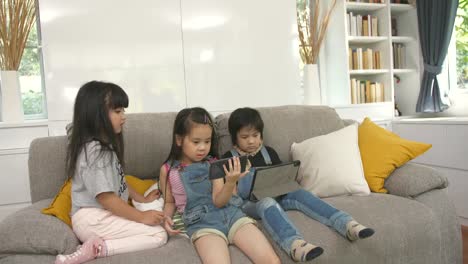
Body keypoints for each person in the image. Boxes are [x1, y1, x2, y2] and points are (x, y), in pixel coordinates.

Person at [222, 107, 375, 262]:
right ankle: (295, 245)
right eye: (245, 137)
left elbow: (283, 177)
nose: (251, 141)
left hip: (277, 194)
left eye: (255, 135)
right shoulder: (229, 159)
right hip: (250, 204)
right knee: (267, 202)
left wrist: (288, 179)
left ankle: (347, 224)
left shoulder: (269, 152)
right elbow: (228, 195)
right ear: (235, 138)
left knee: (300, 192)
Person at [55, 81, 167, 264]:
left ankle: (100, 242)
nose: (123, 117)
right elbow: (106, 198)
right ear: (95, 115)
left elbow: (119, 181)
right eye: (117, 111)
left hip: (99, 216)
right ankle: (98, 248)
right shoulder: (96, 151)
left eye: (123, 110)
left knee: (154, 215)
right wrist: (141, 217)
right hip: (93, 219)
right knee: (158, 234)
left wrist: (142, 199)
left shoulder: (103, 147)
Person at [159, 107, 280, 264]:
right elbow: (170, 202)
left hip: (231, 215)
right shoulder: (168, 170)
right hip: (202, 224)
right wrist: (166, 218)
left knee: (272, 261)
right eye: (196, 142)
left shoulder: (214, 164)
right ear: (179, 139)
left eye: (207, 141)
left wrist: (230, 182)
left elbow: (219, 201)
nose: (202, 147)